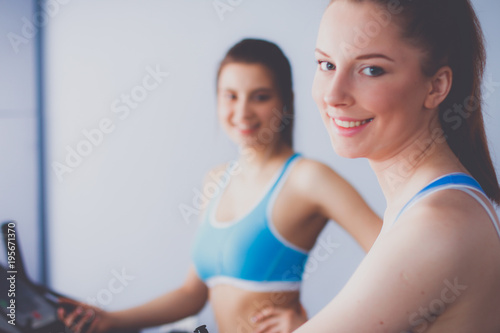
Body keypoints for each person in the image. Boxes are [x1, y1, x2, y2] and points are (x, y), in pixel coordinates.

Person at [58, 38, 382, 333]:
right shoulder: (215, 180)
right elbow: (192, 295)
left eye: (260, 97)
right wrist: (110, 319)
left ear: (287, 101)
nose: (242, 112)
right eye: (230, 96)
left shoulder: (308, 178)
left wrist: (315, 328)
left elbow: (398, 263)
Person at [295, 0, 500, 332]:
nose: (333, 95)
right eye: (326, 64)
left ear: (436, 86)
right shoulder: (428, 205)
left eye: (371, 70)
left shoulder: (438, 226)